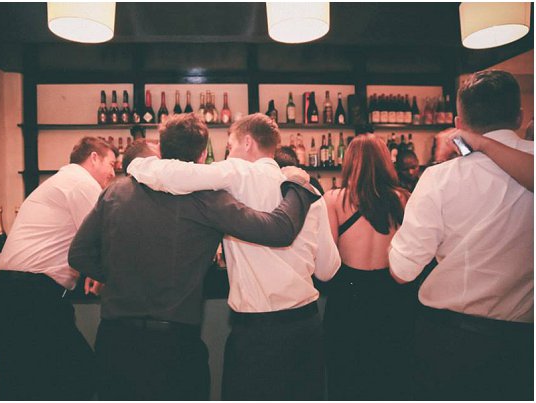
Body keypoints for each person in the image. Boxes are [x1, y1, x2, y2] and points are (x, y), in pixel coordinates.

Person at [69, 113, 321, 400]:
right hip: (173, 345)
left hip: (115, 339)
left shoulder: (116, 190)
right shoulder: (209, 198)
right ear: (202, 156)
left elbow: (79, 254)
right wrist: (300, 188)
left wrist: (117, 277)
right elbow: (277, 230)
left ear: (161, 149)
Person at [389, 70, 533, 400]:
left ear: (458, 123)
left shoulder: (439, 179)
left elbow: (403, 270)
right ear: (519, 116)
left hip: (451, 341)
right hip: (525, 343)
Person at [0, 136, 117, 400]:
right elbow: (104, 239)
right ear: (93, 158)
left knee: (21, 389)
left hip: (4, 296)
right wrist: (100, 271)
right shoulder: (81, 182)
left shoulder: (58, 182)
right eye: (111, 164)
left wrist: (92, 269)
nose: (113, 172)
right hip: (29, 300)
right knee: (83, 380)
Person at [320, 135, 413, 400]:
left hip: (348, 294)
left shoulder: (334, 199)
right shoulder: (402, 199)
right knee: (389, 376)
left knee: (346, 377)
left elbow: (327, 258)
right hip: (391, 293)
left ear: (349, 162)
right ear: (385, 161)